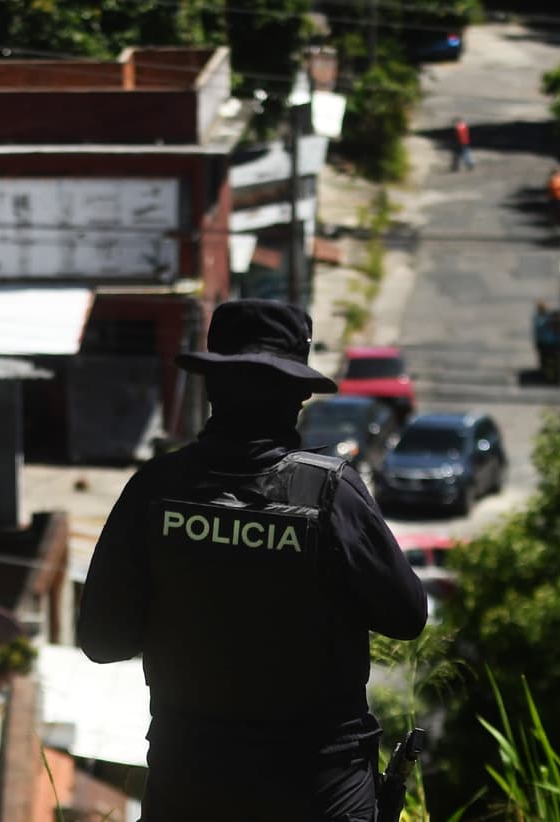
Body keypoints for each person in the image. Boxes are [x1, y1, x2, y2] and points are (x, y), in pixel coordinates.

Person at [78, 299, 428, 821]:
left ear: (211, 387)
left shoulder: (156, 488)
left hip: (191, 783)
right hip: (317, 788)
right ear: (298, 396)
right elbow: (407, 616)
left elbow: (103, 642)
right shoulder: (330, 493)